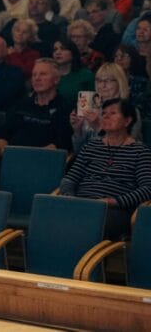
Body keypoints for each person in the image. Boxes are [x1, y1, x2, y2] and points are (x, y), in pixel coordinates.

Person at [58, 100, 151, 239]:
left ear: (127, 121)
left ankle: (84, 259)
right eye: (104, 113)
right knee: (50, 211)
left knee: (83, 222)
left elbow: (147, 189)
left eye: (113, 113)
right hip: (82, 203)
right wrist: (69, 197)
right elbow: (70, 178)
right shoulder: (91, 146)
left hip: (115, 210)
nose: (106, 117)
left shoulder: (140, 151)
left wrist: (113, 201)